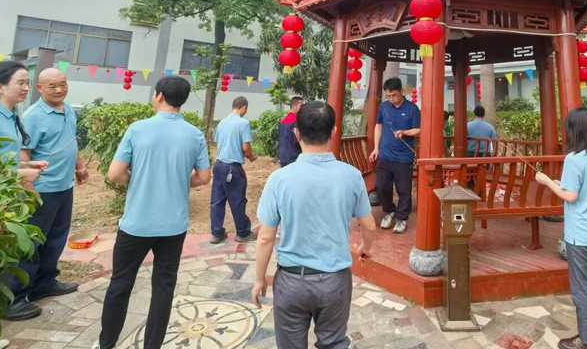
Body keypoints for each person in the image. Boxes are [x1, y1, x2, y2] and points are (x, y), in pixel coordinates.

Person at [94, 76, 211, 349]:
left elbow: (114, 174)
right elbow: (204, 177)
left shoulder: (137, 129)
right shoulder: (195, 134)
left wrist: (138, 179)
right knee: (164, 287)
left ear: (159, 96)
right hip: (174, 226)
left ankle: (106, 343)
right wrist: (178, 180)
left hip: (137, 224)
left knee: (120, 284)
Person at [253, 101, 377, 349]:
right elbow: (369, 226)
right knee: (334, 343)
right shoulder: (351, 176)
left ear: (296, 133)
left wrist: (259, 279)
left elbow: (265, 237)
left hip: (290, 282)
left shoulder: (279, 179)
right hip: (335, 282)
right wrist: (365, 247)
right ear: (334, 132)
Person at [6, 69, 89, 320]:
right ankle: (15, 298)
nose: (59, 90)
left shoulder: (69, 110)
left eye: (63, 84)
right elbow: (24, 156)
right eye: (52, 86)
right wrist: (28, 188)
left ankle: (44, 283)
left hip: (64, 187)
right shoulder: (32, 116)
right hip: (41, 189)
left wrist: (80, 166)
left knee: (56, 237)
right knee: (31, 242)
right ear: (40, 88)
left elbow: (71, 141)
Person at [0, 61, 48, 325]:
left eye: (27, 82)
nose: (26, 88)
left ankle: (6, 304)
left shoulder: (11, 115)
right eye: (21, 82)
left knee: (10, 251)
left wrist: (26, 166)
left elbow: (1, 160)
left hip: (9, 199)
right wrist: (20, 174)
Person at [536, 108, 587, 349]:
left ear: (572, 131)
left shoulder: (574, 159)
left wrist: (547, 181)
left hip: (580, 231)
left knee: (581, 286)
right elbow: (582, 188)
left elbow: (571, 196)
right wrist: (562, 183)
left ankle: (586, 341)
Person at [368, 78, 420, 234]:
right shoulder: (384, 107)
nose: (392, 99)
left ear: (402, 91)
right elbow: (378, 125)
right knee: (382, 186)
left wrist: (404, 132)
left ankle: (402, 218)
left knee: (403, 189)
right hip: (385, 154)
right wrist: (376, 148)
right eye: (389, 96)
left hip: (404, 157)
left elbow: (418, 129)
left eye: (395, 95)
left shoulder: (412, 109)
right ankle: (389, 211)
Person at [211, 95, 257, 244]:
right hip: (233, 168)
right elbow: (246, 148)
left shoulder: (222, 122)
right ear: (244, 108)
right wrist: (252, 156)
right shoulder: (243, 123)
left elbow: (219, 143)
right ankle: (242, 233)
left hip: (219, 166)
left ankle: (217, 233)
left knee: (217, 201)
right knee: (237, 201)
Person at [279, 96, 304, 167]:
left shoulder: (282, 122)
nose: (303, 109)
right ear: (293, 106)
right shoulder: (296, 122)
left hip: (283, 157)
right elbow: (297, 140)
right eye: (301, 106)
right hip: (295, 158)